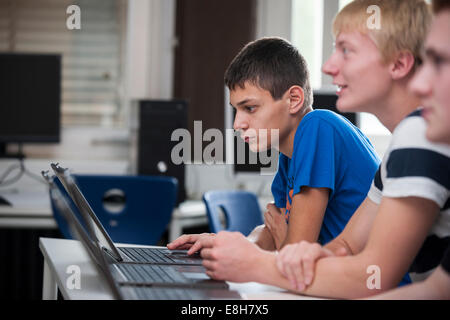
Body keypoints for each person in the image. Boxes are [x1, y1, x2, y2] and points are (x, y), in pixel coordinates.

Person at [189, 0, 447, 299]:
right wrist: (230, 247)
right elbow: (343, 247)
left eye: (346, 50)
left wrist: (261, 261)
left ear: (399, 64)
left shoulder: (325, 126)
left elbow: (369, 274)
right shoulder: (400, 148)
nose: (327, 66)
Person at [168, 37, 379, 254]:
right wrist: (227, 243)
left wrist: (282, 236)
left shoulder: (318, 127)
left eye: (249, 108)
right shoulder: (289, 159)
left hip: (365, 287)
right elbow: (271, 230)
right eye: (236, 110)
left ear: (294, 99)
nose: (237, 124)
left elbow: (295, 255)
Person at [369, 0, 450, 299]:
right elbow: (438, 290)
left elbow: (371, 271)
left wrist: (261, 266)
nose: (420, 84)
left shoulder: (417, 133)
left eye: (440, 62)